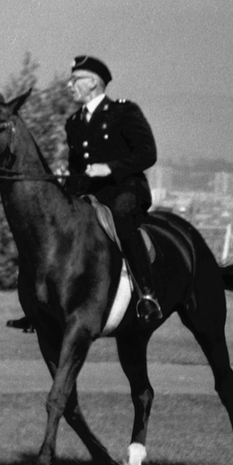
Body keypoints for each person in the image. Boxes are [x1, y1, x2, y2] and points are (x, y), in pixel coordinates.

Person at [64, 55, 161, 322]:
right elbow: (75, 170)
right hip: (90, 193)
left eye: (75, 80)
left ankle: (147, 295)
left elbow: (147, 153)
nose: (69, 85)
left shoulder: (124, 112)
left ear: (93, 83)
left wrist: (110, 168)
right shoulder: (73, 123)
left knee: (119, 214)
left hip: (125, 189)